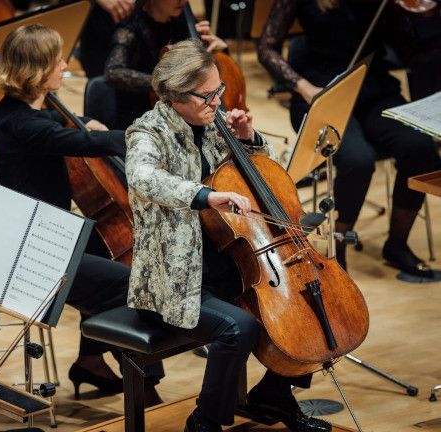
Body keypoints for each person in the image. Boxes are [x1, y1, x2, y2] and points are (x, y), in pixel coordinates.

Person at [125, 39, 331, 432]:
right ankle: (204, 422)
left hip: (227, 264)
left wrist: (250, 140)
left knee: (308, 309)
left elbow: (265, 176)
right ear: (175, 95)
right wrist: (206, 195)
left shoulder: (213, 123)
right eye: (207, 96)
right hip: (174, 279)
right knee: (240, 328)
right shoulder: (146, 133)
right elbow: (143, 177)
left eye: (218, 91)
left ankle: (274, 394)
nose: (217, 102)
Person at [0, 24, 164, 404]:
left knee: (106, 250)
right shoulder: (24, 125)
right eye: (57, 60)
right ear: (37, 71)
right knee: (129, 283)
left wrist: (85, 122)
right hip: (29, 250)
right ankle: (145, 387)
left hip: (46, 230)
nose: (65, 64)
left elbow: (64, 127)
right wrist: (143, 135)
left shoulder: (18, 110)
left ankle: (89, 361)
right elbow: (82, 142)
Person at [257, 0, 441, 277]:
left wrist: (421, 15)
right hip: (322, 92)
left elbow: (409, 52)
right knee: (358, 160)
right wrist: (302, 87)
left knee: (420, 148)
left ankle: (397, 243)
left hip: (373, 87)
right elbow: (266, 48)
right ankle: (338, 245)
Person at [103, 0, 228, 129]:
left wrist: (220, 50)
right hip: (141, 117)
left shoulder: (184, 22)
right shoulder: (131, 28)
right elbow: (112, 73)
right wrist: (169, 82)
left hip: (185, 116)